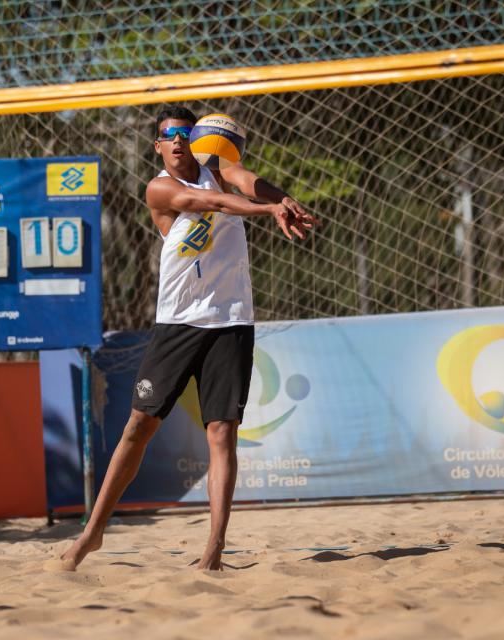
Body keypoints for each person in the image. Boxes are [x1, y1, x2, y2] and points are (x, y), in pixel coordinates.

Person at [56, 106, 319, 571]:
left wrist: (283, 200)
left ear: (197, 139)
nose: (176, 140)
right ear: (157, 147)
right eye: (166, 135)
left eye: (183, 132)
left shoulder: (218, 167)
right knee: (138, 427)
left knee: (222, 434)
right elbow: (213, 204)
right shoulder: (160, 188)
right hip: (177, 324)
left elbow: (249, 180)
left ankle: (213, 551)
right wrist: (266, 209)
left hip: (230, 321)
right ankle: (92, 533)